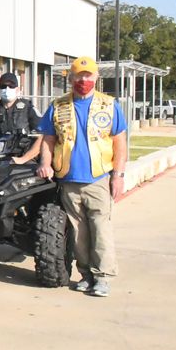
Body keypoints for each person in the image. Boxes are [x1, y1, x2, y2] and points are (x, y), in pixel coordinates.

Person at [35, 55, 127, 298]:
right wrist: (46, 163)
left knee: (101, 229)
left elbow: (120, 143)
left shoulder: (109, 105)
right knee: (78, 233)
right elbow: (48, 140)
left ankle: (103, 277)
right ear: (71, 78)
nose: (83, 80)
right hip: (69, 180)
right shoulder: (59, 105)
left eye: (88, 76)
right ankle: (86, 275)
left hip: (98, 179)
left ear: (96, 77)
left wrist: (118, 175)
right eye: (78, 76)